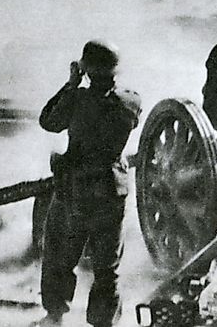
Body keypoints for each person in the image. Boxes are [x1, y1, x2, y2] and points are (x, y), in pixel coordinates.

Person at [32, 40, 141, 327]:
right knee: (107, 267)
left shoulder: (77, 100)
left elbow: (48, 121)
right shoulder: (131, 102)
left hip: (76, 190)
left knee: (59, 255)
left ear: (86, 69)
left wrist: (71, 83)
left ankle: (55, 315)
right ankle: (103, 322)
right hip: (111, 190)